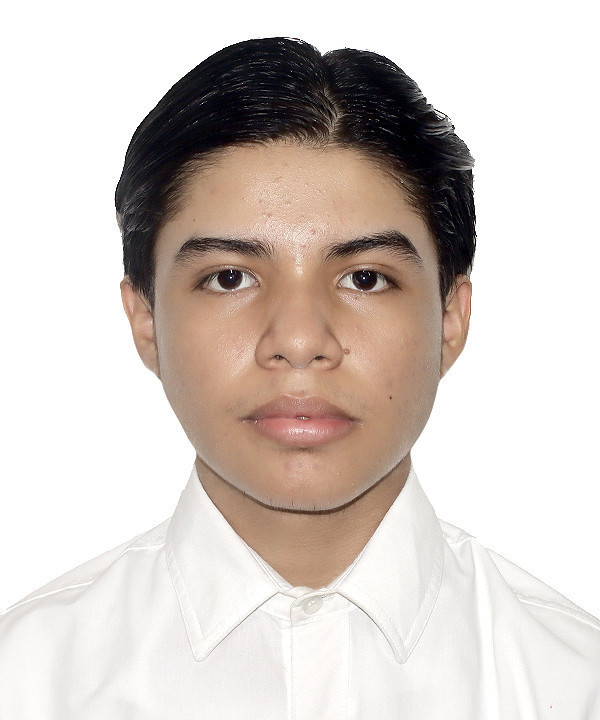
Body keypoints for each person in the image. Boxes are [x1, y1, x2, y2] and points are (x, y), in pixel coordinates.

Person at [0, 36, 598, 719]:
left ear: (450, 318)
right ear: (146, 320)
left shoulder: (572, 687)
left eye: (364, 278)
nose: (299, 341)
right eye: (230, 277)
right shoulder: (26, 683)